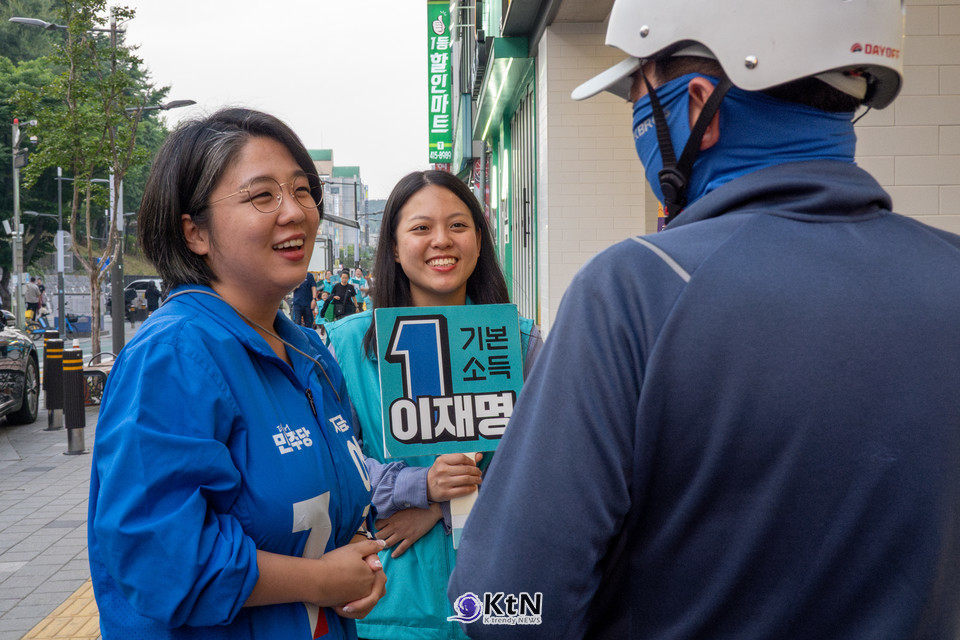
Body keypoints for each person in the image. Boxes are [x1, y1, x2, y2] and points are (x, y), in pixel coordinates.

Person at [449, 1, 960, 638]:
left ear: (697, 106)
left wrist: (458, 608)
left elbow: (508, 604)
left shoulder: (633, 290)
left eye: (638, 92)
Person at [87, 108, 386, 640]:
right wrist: (319, 580)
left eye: (301, 191)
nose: (294, 213)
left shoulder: (310, 353)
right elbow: (161, 559)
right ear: (195, 232)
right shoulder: (175, 356)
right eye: (262, 196)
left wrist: (353, 573)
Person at [325, 170, 543, 640]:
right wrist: (419, 483)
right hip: (394, 596)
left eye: (459, 226)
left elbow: (551, 465)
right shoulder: (345, 345)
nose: (441, 241)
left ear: (480, 242)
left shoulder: (524, 343)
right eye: (421, 228)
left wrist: (444, 505)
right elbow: (335, 464)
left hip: (507, 590)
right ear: (394, 246)